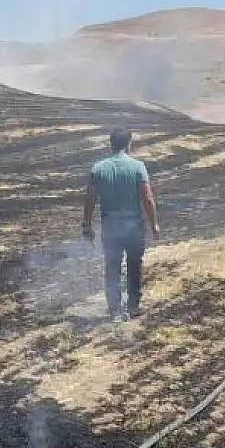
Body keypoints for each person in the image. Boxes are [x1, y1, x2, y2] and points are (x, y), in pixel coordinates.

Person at [82, 128, 161, 321]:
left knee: (112, 267)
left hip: (110, 226)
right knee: (134, 266)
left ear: (110, 144)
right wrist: (154, 224)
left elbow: (90, 198)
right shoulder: (138, 167)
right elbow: (147, 198)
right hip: (133, 226)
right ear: (129, 144)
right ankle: (133, 307)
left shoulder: (98, 168)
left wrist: (86, 224)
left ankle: (114, 309)